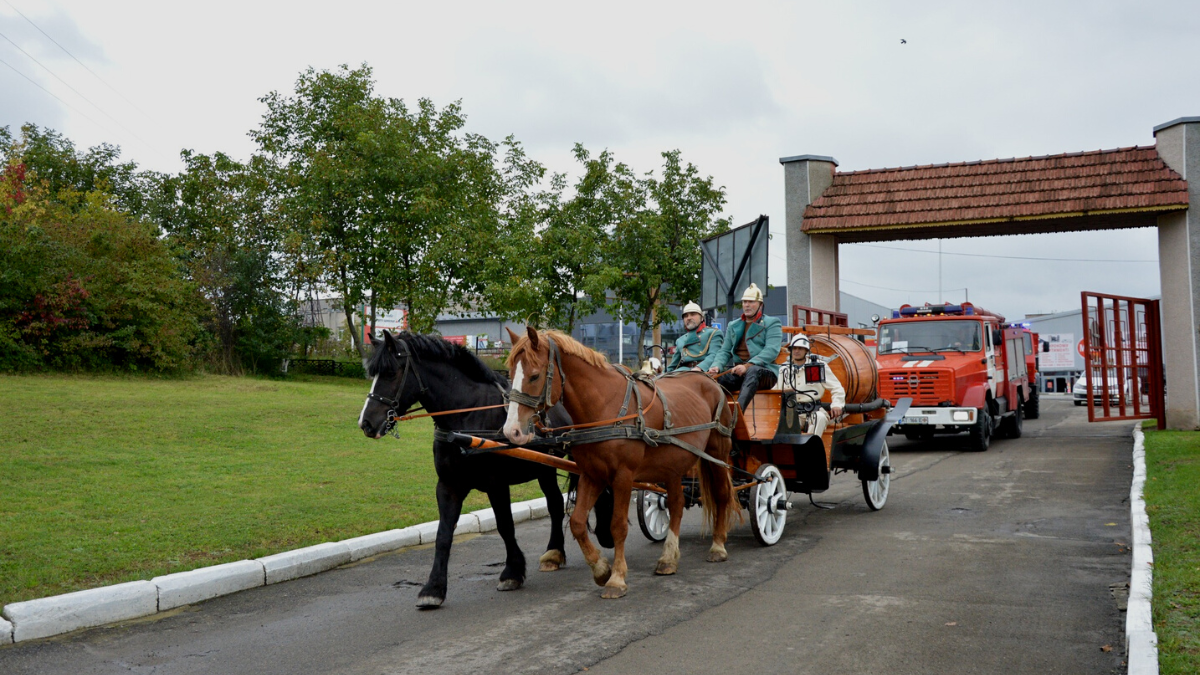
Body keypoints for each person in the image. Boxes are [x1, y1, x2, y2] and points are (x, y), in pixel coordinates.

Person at [708, 283, 783, 412]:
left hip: (765, 372)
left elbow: (771, 351)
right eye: (744, 302)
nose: (747, 305)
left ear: (760, 305)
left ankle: (737, 415)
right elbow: (724, 351)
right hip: (739, 372)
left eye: (751, 302)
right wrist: (717, 366)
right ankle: (713, 417)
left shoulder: (772, 323)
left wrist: (747, 366)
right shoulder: (733, 325)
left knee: (753, 371)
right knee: (714, 381)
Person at [779, 333, 845, 436]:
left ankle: (810, 450)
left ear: (806, 350)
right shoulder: (784, 369)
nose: (797, 351)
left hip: (814, 411)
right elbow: (776, 391)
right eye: (794, 348)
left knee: (820, 418)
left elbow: (836, 388)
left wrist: (837, 405)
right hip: (792, 413)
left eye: (800, 348)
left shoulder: (818, 367)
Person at [667, 301, 723, 372]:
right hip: (683, 372)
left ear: (702, 318)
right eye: (686, 316)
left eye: (693, 314)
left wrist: (699, 368)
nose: (689, 318)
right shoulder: (680, 340)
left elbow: (714, 355)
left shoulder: (713, 333)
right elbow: (673, 365)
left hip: (705, 371)